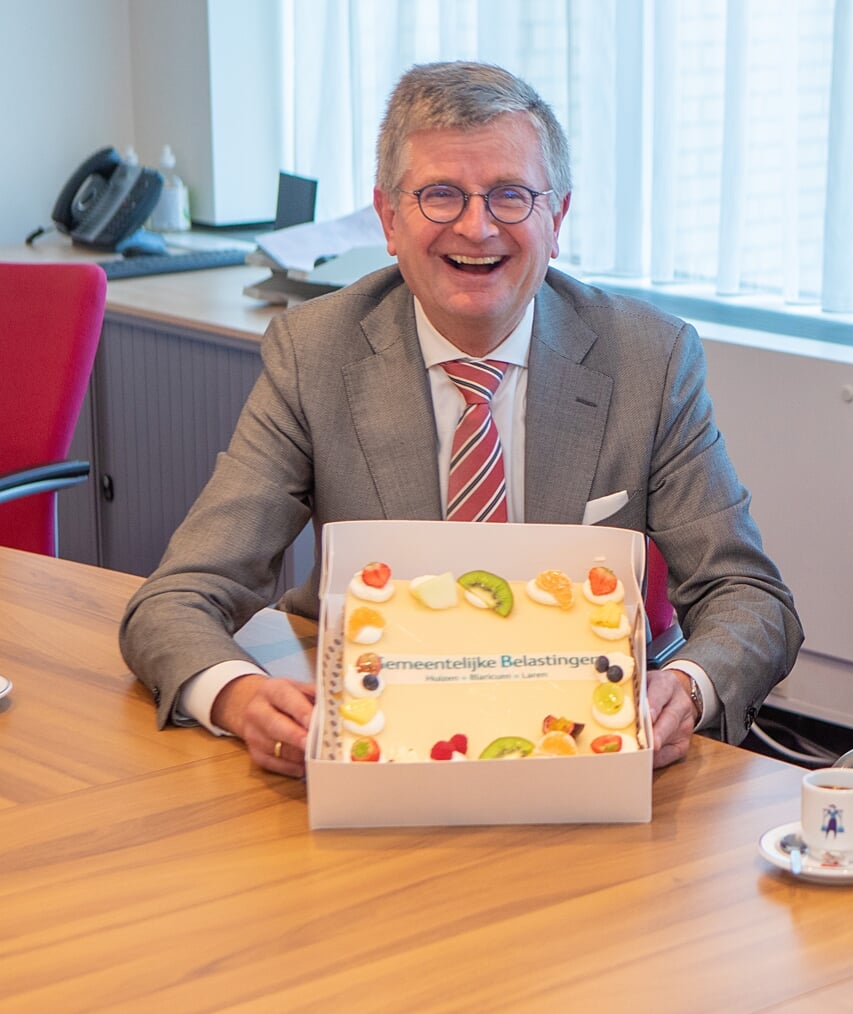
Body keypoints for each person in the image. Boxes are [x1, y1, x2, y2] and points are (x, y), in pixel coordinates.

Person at [119, 62, 800, 774]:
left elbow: (750, 600)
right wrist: (236, 697)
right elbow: (175, 599)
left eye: (510, 195)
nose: (476, 228)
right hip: (371, 741)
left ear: (556, 218)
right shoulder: (313, 354)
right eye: (440, 195)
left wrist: (684, 691)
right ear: (388, 218)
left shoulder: (648, 360)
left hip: (577, 747)